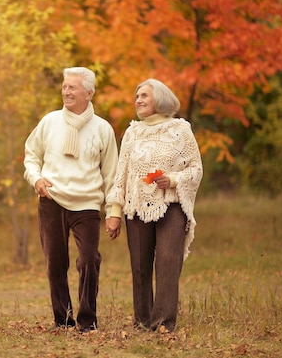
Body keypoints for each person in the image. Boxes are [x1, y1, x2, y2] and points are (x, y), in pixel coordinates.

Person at [24, 67, 118, 333]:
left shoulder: (102, 129)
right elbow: (31, 155)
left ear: (88, 93)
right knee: (55, 262)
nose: (66, 91)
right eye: (65, 87)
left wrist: (113, 211)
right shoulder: (50, 121)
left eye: (72, 87)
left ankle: (87, 320)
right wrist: (36, 179)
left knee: (89, 259)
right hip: (51, 200)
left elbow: (111, 174)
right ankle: (62, 320)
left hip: (87, 204)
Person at [105, 78, 203, 333]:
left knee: (168, 262)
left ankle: (163, 323)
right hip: (136, 207)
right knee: (140, 264)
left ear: (159, 98)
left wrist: (172, 180)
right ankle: (142, 321)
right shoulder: (132, 132)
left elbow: (196, 169)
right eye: (137, 96)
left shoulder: (180, 130)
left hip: (171, 205)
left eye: (144, 95)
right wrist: (115, 212)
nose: (138, 100)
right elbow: (121, 174)